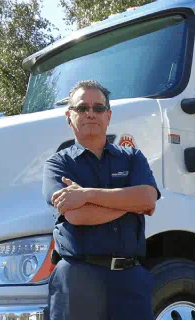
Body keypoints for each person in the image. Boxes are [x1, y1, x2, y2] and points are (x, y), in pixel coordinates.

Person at [41, 80, 160, 320]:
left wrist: (86, 195)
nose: (90, 114)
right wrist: (129, 203)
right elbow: (76, 215)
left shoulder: (132, 157)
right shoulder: (57, 164)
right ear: (69, 116)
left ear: (108, 115)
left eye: (98, 108)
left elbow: (147, 198)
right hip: (77, 279)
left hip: (130, 278)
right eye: (82, 108)